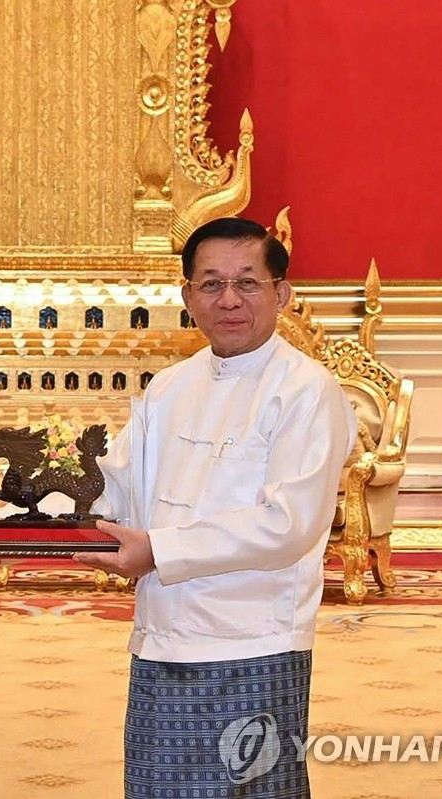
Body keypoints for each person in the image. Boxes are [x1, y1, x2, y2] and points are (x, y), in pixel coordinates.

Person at [75, 217, 355, 798]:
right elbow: (120, 489)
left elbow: (290, 526)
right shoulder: (169, 387)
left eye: (247, 283)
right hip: (164, 635)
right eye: (211, 284)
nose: (229, 299)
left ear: (282, 293)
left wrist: (159, 550)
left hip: (256, 640)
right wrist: (44, 510)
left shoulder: (306, 389)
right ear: (187, 296)